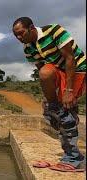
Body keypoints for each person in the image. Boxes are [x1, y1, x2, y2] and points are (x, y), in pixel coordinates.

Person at [12, 17, 86, 171]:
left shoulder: (53, 31)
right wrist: (48, 98)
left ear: (31, 27)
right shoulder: (28, 48)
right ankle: (61, 112)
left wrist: (69, 91)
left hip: (77, 68)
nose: (19, 38)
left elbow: (70, 58)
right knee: (53, 112)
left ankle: (74, 159)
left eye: (21, 33)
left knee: (65, 113)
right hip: (58, 70)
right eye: (16, 36)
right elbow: (43, 71)